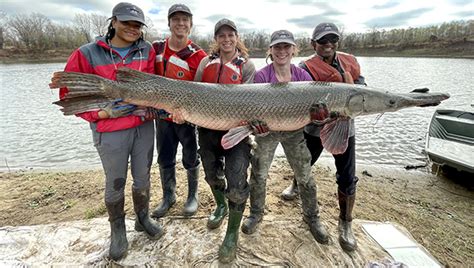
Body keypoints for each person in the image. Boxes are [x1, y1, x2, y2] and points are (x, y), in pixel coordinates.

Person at [58, 2, 163, 260]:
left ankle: (142, 217)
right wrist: (102, 114)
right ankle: (117, 229)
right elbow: (68, 94)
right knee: (115, 181)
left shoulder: (146, 50)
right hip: (110, 129)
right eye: (126, 22)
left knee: (142, 177)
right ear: (113, 22)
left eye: (137, 25)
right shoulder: (87, 53)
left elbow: (151, 87)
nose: (132, 28)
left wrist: (152, 109)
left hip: (142, 128)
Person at [240, 30, 329, 245]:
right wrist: (255, 125)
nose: (282, 51)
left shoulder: (303, 77)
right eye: (277, 47)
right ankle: (256, 213)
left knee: (305, 174)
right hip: (267, 132)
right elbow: (249, 108)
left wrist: (319, 118)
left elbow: (315, 114)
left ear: (293, 50)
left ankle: (312, 217)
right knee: (259, 172)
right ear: (271, 50)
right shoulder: (262, 76)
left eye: (286, 47)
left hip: (294, 131)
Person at [284, 22, 366, 252]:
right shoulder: (304, 67)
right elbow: (299, 96)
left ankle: (345, 222)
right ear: (314, 44)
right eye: (322, 41)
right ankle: (296, 185)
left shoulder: (350, 61)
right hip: (314, 128)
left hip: (344, 128)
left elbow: (362, 88)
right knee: (305, 163)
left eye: (332, 40)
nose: (328, 44)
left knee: (347, 175)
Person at [193, 18, 256, 263]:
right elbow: (193, 93)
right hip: (208, 130)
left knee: (237, 179)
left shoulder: (247, 66)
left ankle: (231, 234)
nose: (226, 39)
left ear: (236, 37)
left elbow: (253, 102)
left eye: (231, 35)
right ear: (216, 39)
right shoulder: (204, 63)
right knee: (210, 173)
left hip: (236, 133)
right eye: (222, 35)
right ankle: (220, 205)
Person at [151, 4, 207, 219]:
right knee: (165, 156)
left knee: (191, 156)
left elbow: (203, 91)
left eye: (185, 20)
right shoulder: (156, 48)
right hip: (162, 116)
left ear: (190, 25)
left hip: (187, 117)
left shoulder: (198, 55)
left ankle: (192, 196)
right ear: (169, 23)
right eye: (176, 19)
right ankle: (168, 196)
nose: (180, 23)